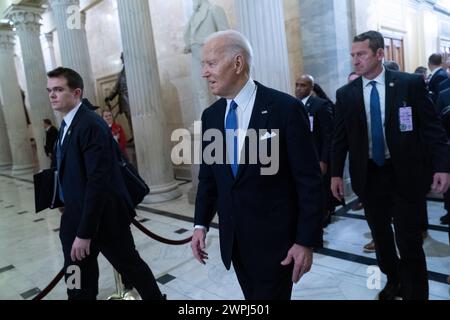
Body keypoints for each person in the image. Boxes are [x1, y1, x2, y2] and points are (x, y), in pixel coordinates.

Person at [190, 30, 323, 300]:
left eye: (211, 63)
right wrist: (199, 225)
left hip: (277, 245)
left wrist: (305, 240)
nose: (204, 72)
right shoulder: (211, 116)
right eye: (203, 65)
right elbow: (210, 178)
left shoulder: (285, 109)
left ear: (237, 63)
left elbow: (308, 181)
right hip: (235, 242)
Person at [331, 31, 450, 300]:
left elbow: (433, 129)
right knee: (382, 239)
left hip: (404, 174)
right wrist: (336, 173)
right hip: (369, 176)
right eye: (353, 55)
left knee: (408, 240)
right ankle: (393, 280)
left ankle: (416, 293)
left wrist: (443, 166)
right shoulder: (346, 93)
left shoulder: (409, 84)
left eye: (361, 54)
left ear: (380, 54)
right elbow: (339, 139)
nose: (355, 60)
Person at [47, 67, 163, 300]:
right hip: (74, 216)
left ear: (77, 92)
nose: (52, 95)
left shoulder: (90, 124)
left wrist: (85, 232)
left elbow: (98, 182)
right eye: (50, 90)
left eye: (58, 89)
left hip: (103, 220)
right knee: (77, 279)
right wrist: (61, 198)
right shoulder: (66, 125)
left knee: (132, 267)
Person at [295, 75, 334, 228]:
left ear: (311, 88)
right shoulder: (293, 105)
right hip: (301, 157)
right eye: (297, 85)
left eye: (302, 85)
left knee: (321, 190)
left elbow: (328, 135)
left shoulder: (320, 105)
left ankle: (324, 216)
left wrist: (324, 160)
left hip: (317, 156)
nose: (298, 88)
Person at [183, 0, 229, 118]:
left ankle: (228, 117)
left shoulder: (214, 10)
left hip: (212, 55)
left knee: (221, 88)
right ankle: (206, 121)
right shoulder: (193, 16)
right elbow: (190, 34)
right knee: (200, 92)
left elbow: (226, 35)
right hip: (195, 56)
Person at [105, 53, 133, 135]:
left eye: (122, 58)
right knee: (130, 120)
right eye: (121, 58)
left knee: (134, 119)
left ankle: (136, 136)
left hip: (134, 100)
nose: (122, 60)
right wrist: (109, 97)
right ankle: (134, 136)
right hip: (125, 101)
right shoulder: (121, 73)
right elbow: (116, 88)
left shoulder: (133, 69)